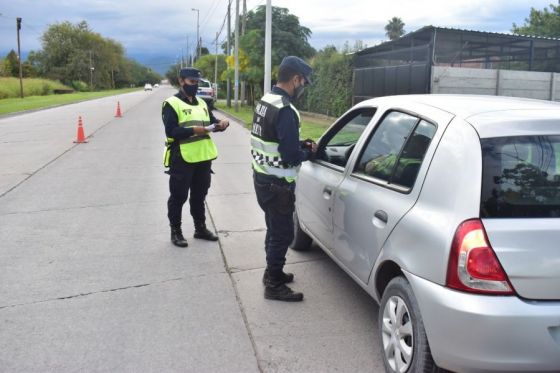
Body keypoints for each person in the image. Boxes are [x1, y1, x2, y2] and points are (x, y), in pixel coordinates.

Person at [251, 56, 317, 302]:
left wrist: (298, 144)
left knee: (273, 229)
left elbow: (273, 140)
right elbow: (289, 156)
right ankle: (273, 284)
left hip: (262, 179)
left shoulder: (265, 101)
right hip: (278, 185)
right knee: (282, 235)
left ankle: (273, 271)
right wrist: (308, 152)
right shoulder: (286, 110)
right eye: (303, 82)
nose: (303, 87)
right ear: (296, 79)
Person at [162, 67, 229, 247]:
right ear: (181, 81)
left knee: (199, 195)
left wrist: (221, 124)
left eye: (197, 82)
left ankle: (200, 228)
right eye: (192, 82)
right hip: (182, 157)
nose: (195, 85)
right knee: (179, 196)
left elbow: (211, 122)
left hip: (203, 157)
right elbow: (171, 131)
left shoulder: (201, 103)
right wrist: (194, 130)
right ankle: (176, 231)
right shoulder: (171, 104)